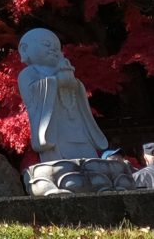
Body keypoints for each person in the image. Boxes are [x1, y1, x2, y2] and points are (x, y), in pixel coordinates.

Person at [17, 28, 108, 161]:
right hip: (56, 132)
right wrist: (56, 82)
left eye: (57, 47)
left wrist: (74, 85)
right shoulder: (29, 73)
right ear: (25, 49)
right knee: (63, 166)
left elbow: (79, 94)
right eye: (47, 44)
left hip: (77, 126)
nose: (53, 49)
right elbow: (32, 97)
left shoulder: (64, 70)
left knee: (93, 163)